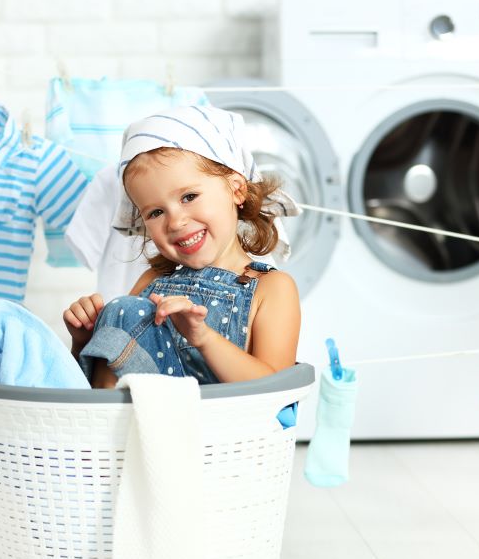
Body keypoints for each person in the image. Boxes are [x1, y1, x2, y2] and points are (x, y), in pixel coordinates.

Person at [63, 106, 301, 388]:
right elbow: (99, 384)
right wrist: (84, 340)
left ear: (236, 189)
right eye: (155, 213)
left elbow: (276, 391)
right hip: (132, 425)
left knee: (125, 310)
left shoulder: (272, 288)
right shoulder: (152, 282)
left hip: (223, 428)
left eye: (189, 196)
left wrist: (204, 338)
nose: (175, 222)